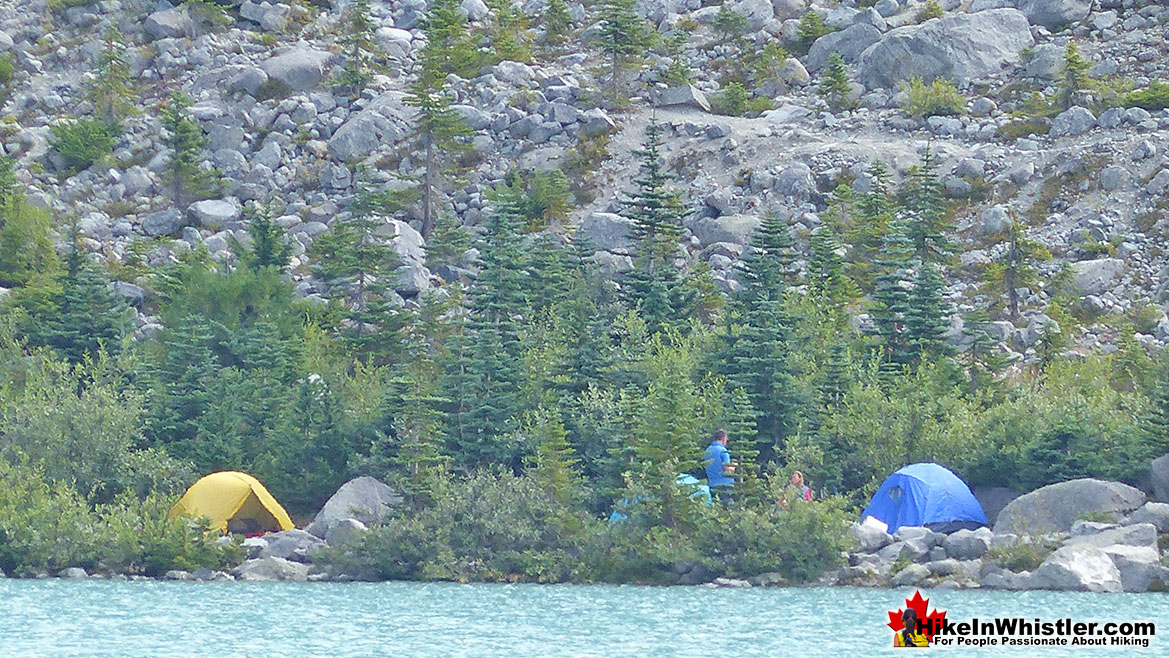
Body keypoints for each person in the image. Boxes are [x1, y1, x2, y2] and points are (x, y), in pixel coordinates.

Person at [704, 429, 736, 502]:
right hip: (725, 485)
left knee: (716, 506)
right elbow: (727, 469)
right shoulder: (723, 451)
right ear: (723, 438)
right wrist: (734, 466)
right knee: (727, 507)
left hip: (712, 484)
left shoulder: (708, 450)